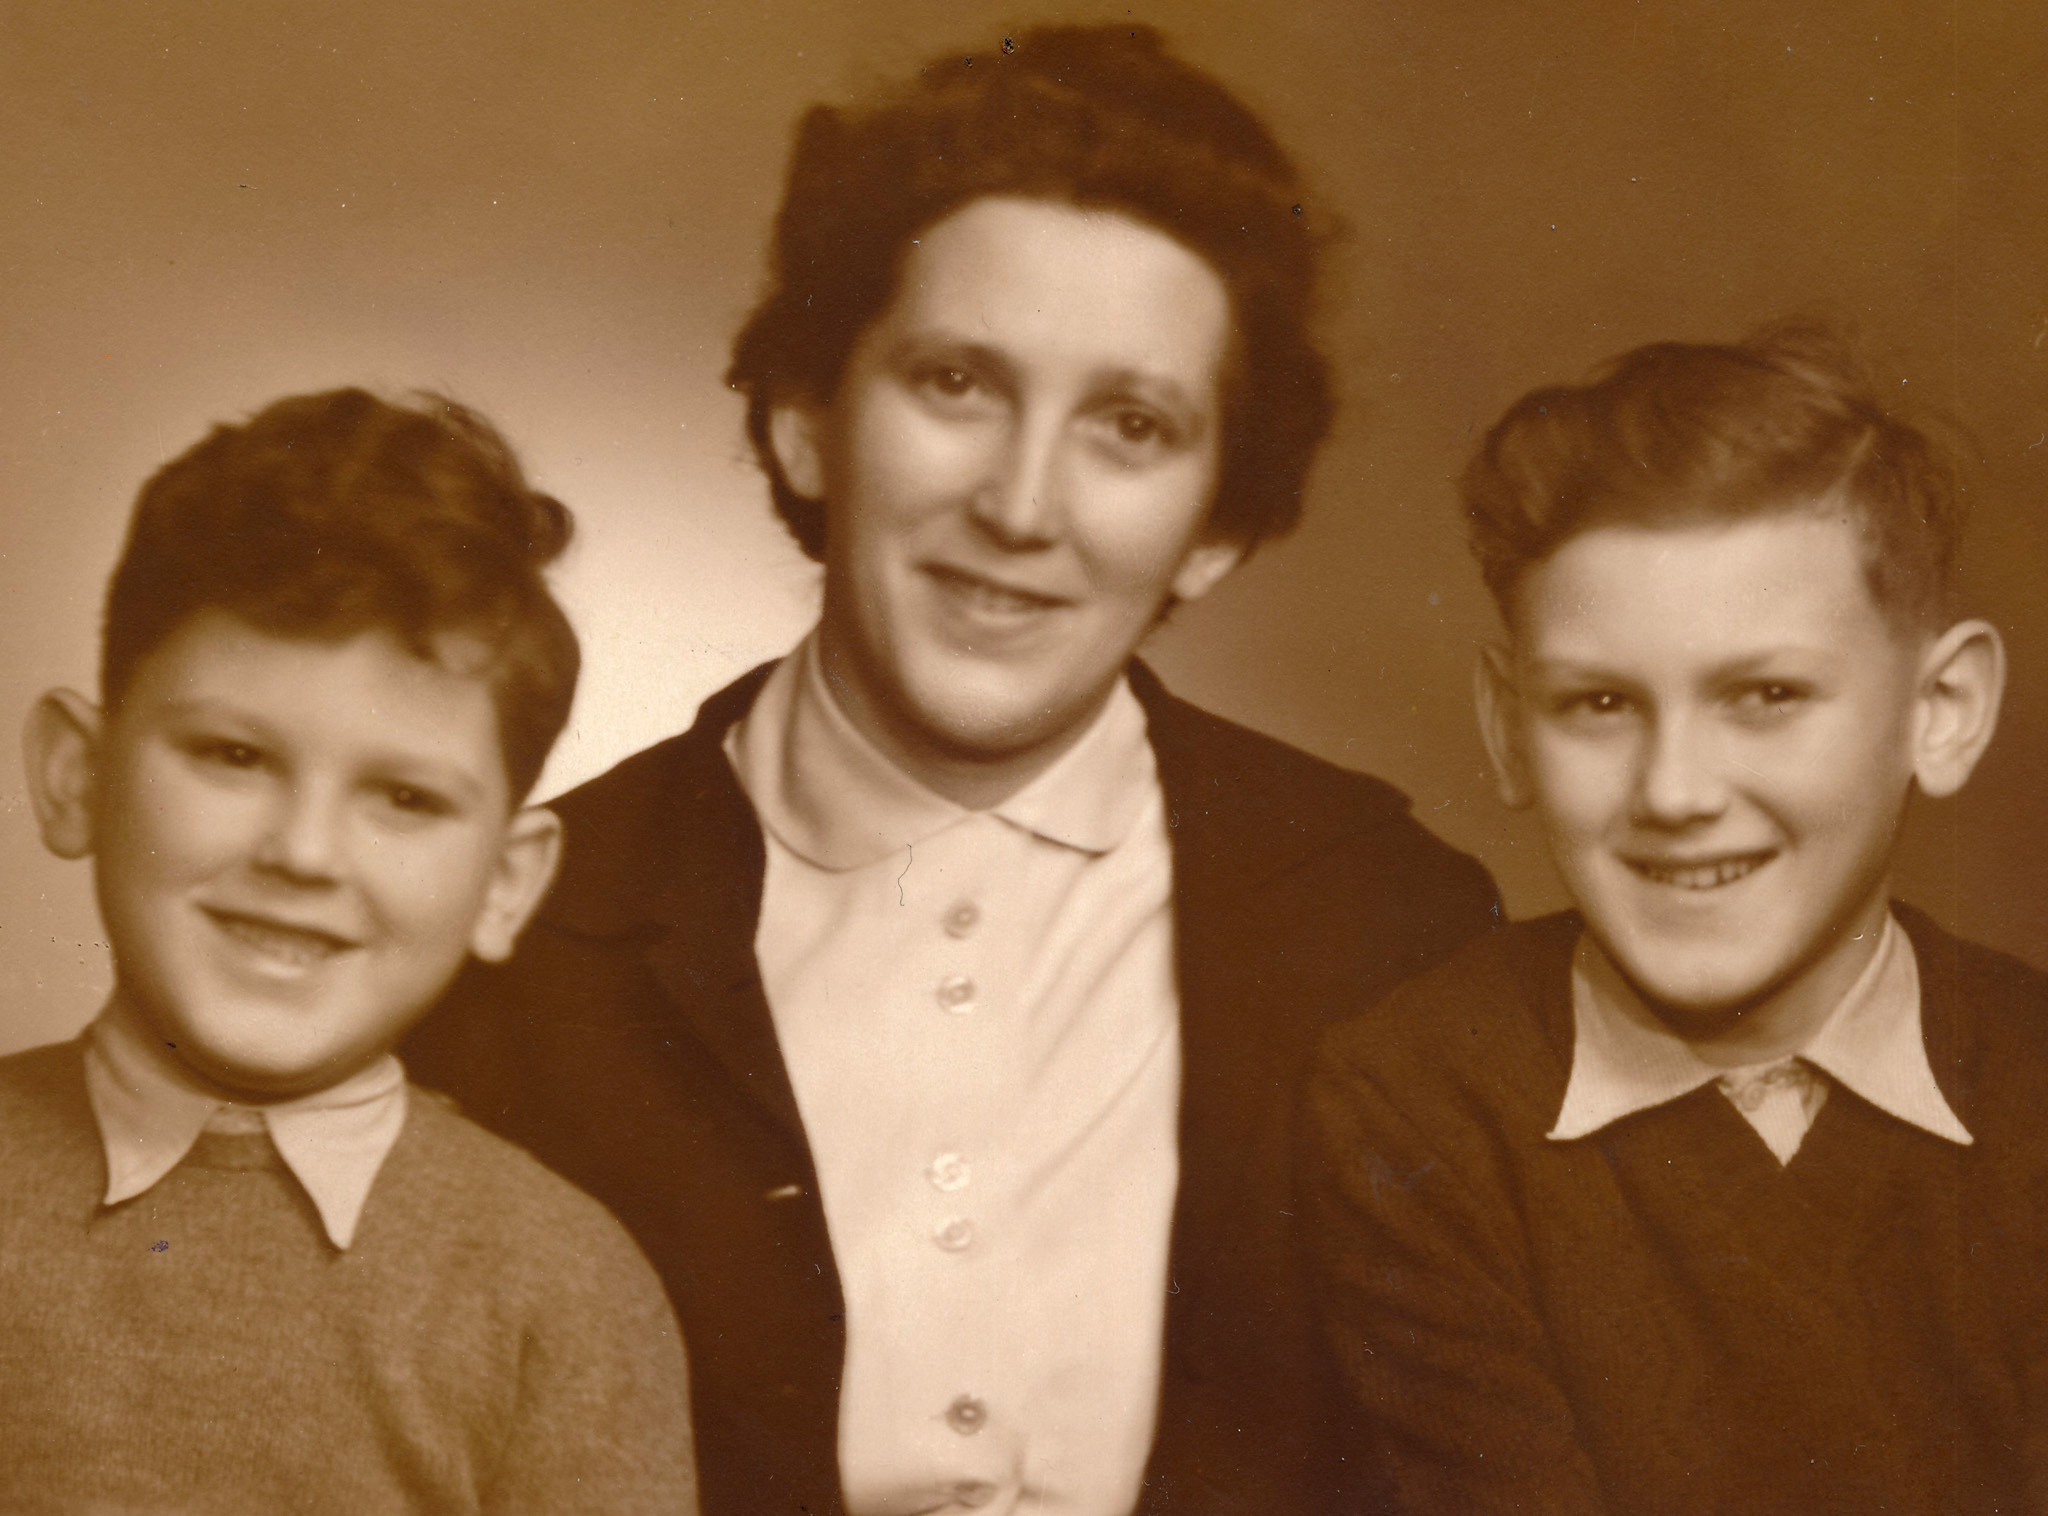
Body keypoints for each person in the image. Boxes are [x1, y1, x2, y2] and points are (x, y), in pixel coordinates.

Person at [404, 23, 1497, 1515]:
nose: (1023, 506)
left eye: (1130, 426)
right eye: (958, 383)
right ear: (806, 421)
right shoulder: (513, 945)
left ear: (1216, 526)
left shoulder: (1389, 924)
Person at [1300, 323, 2044, 1514]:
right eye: (1598, 703)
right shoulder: (1418, 1102)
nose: (1674, 791)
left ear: (1940, 710)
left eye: (1766, 694)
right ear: (1507, 726)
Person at [1, 390, 698, 1513]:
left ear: (505, 883)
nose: (305, 852)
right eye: (233, 754)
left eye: (406, 798)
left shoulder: (561, 1292)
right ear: (77, 775)